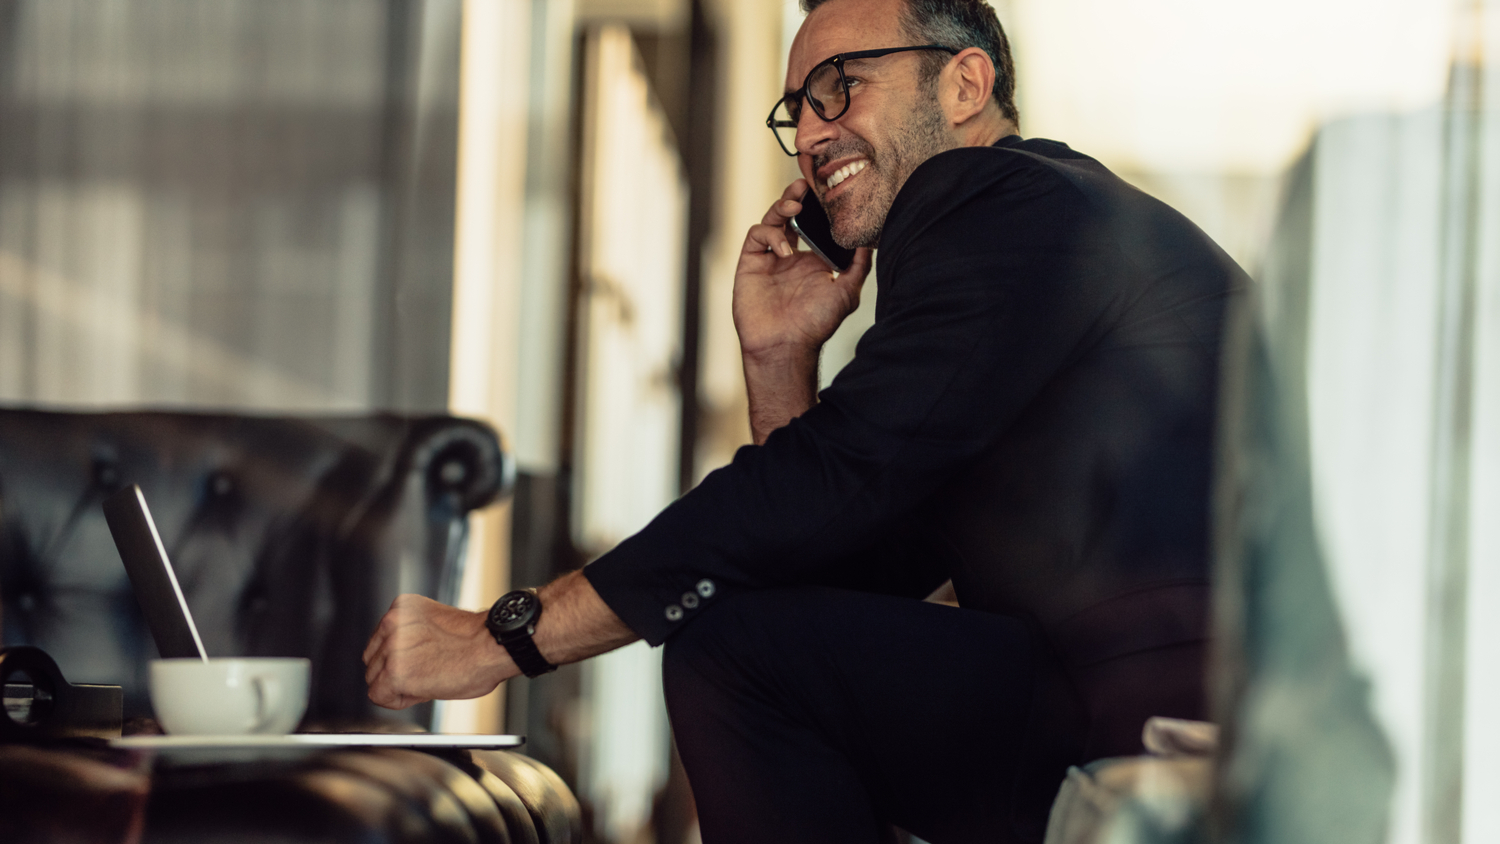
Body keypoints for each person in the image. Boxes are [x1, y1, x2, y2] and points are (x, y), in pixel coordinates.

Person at [362, 0, 1247, 840]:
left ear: (966, 86)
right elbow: (843, 560)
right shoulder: (1031, 235)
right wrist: (777, 360)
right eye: (798, 110)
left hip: (1173, 711)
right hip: (1122, 693)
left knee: (736, 651)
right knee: (757, 641)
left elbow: (827, 483)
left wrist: (502, 637)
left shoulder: (997, 199)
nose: (815, 134)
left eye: (841, 86)